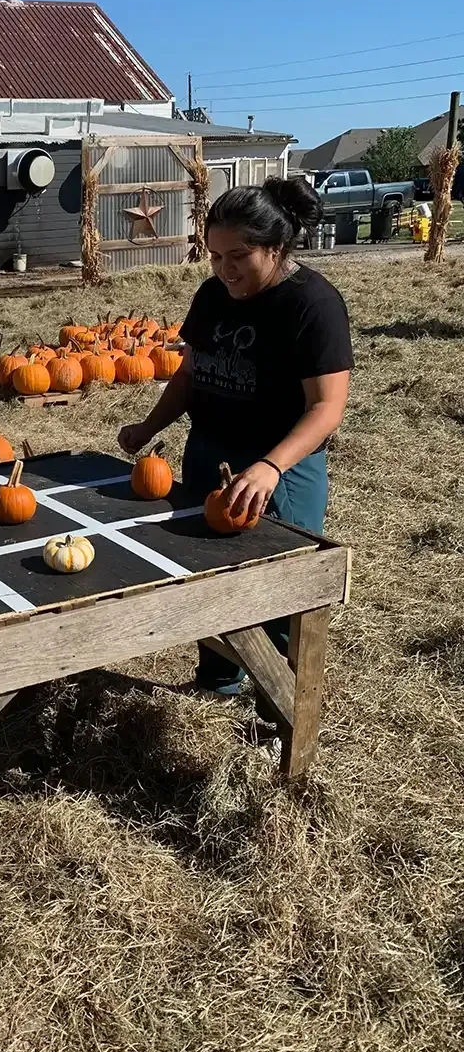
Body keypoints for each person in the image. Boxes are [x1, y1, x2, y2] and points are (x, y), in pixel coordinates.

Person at [119, 176, 353, 696]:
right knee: (208, 577)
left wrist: (271, 468)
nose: (224, 270)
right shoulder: (212, 295)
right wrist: (149, 427)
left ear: (277, 247)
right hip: (208, 456)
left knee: (274, 591)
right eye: (215, 256)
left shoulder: (312, 305)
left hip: (278, 471)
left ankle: (279, 706)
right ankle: (221, 677)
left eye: (238, 256)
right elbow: (188, 374)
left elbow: (325, 407)